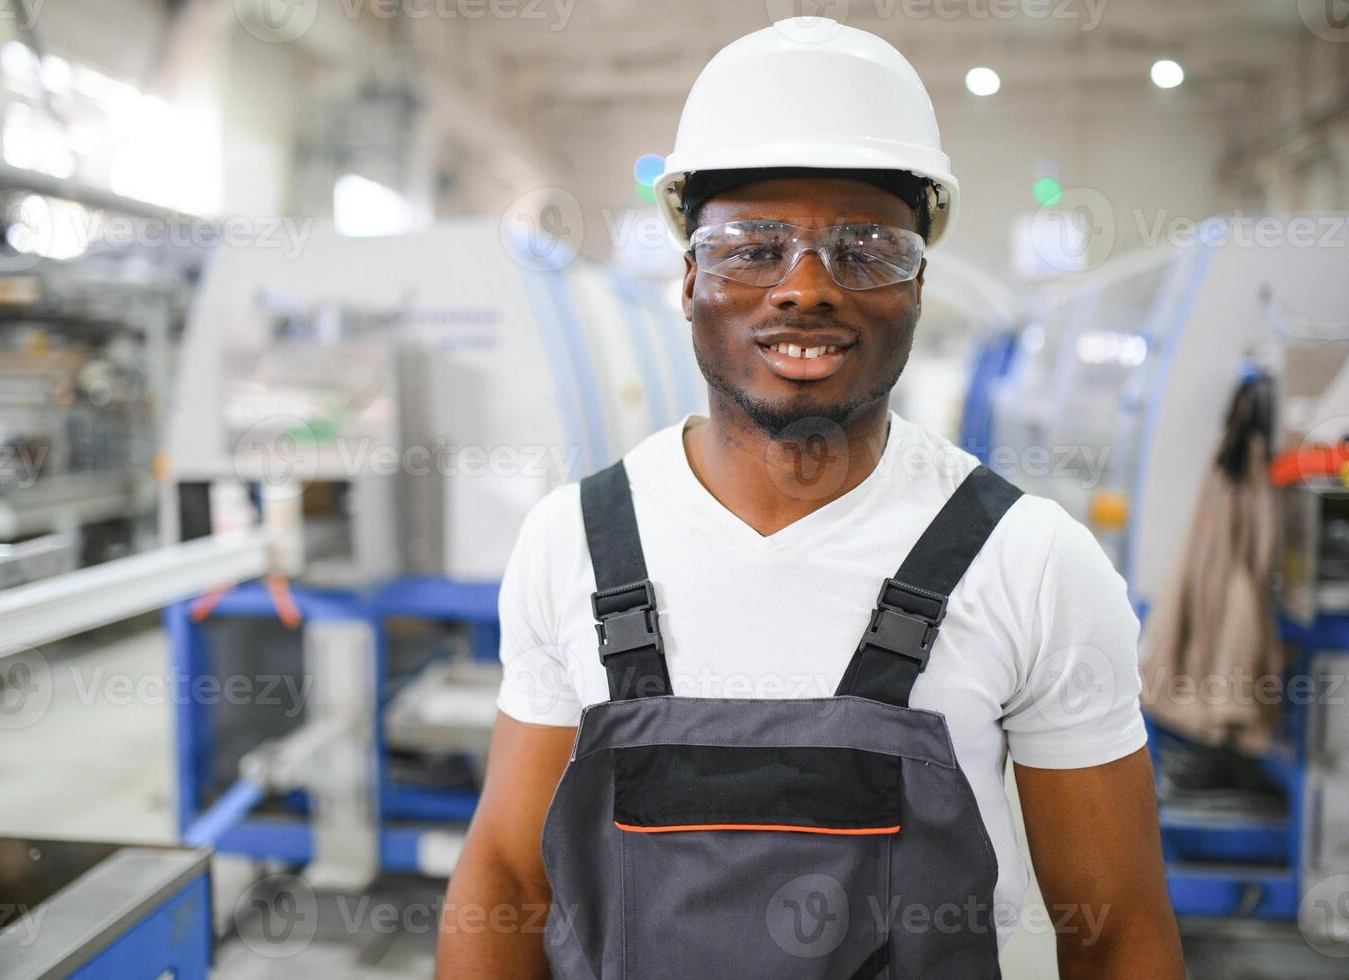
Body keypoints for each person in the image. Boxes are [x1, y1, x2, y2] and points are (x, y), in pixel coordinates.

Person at [440, 18, 1183, 979]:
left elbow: (1118, 930)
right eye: (750, 246)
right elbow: (503, 878)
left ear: (918, 282)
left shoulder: (1031, 561)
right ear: (688, 280)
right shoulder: (572, 545)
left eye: (864, 248)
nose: (803, 289)